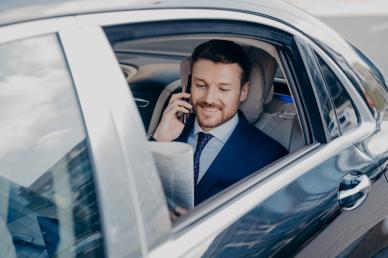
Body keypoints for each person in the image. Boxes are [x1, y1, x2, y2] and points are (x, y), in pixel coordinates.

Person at [152, 39, 287, 205]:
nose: (209, 99)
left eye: (223, 89)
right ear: (188, 86)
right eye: (200, 85)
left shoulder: (270, 156)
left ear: (243, 92)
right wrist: (158, 141)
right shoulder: (168, 132)